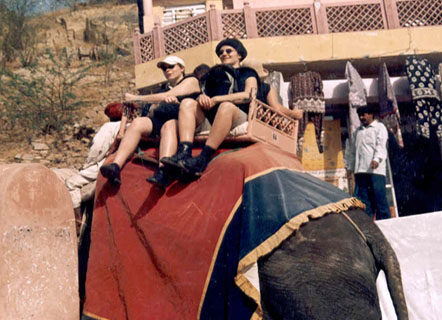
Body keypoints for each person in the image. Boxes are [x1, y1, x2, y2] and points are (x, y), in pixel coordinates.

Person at [161, 39, 261, 177]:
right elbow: (204, 93)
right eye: (220, 52)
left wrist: (217, 99)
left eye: (228, 51)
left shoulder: (247, 73)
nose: (223, 54)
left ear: (239, 55)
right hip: (214, 118)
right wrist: (201, 97)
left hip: (238, 116)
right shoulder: (214, 74)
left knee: (226, 106)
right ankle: (184, 151)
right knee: (188, 103)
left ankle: (203, 158)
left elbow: (249, 95)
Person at [99, 56, 200, 187]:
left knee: (168, 126)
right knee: (138, 123)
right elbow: (154, 107)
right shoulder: (164, 88)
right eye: (164, 68)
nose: (167, 70)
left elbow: (168, 96)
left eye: (171, 66)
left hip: (184, 122)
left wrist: (137, 98)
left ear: (182, 68)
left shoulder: (191, 81)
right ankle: (116, 166)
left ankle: (163, 171)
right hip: (161, 120)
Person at [346, 105, 390, 220]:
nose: (361, 117)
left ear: (371, 114)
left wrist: (376, 159)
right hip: (360, 171)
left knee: (379, 199)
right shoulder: (357, 132)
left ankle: (386, 225)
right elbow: (353, 152)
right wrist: (350, 168)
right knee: (364, 202)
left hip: (375, 171)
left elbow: (381, 145)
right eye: (359, 115)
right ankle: (369, 227)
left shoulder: (379, 127)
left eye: (363, 115)